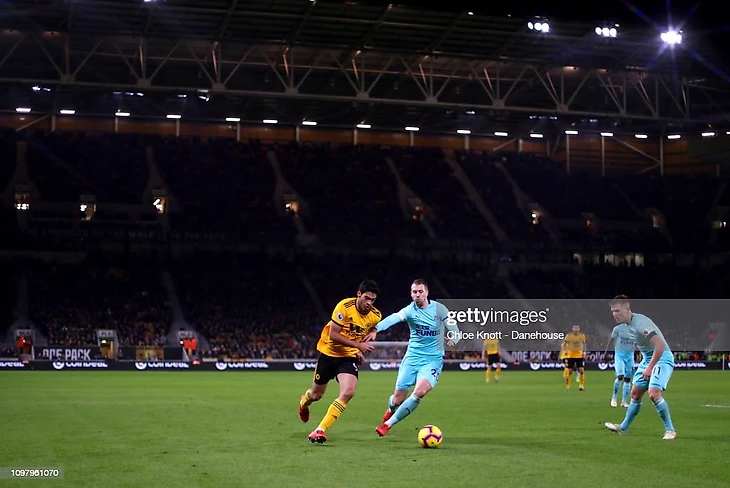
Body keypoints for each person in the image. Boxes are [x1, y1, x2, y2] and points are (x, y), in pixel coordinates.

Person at [365, 279, 460, 437]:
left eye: (420, 291)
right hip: (412, 358)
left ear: (427, 292)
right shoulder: (410, 310)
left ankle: (387, 425)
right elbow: (394, 318)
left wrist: (453, 339)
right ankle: (391, 409)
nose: (417, 295)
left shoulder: (440, 309)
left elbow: (455, 330)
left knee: (420, 392)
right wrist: (376, 329)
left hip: (433, 360)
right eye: (414, 292)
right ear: (411, 294)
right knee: (397, 400)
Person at [298, 280, 382, 444]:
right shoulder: (344, 307)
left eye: (372, 300)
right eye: (366, 298)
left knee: (348, 392)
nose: (369, 303)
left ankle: (320, 429)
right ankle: (304, 403)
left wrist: (370, 336)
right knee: (316, 395)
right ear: (359, 294)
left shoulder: (375, 315)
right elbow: (334, 335)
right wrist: (358, 346)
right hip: (329, 353)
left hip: (347, 357)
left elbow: (367, 330)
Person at [604, 295, 677, 440]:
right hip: (648, 359)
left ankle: (670, 430)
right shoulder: (626, 325)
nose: (614, 314)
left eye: (617, 311)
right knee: (635, 394)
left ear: (627, 309)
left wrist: (649, 367)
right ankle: (623, 428)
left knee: (654, 393)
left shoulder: (641, 324)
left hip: (662, 358)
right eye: (612, 311)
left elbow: (660, 345)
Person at [603, 322, 637, 408]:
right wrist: (606, 353)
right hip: (619, 355)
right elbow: (611, 340)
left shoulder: (636, 330)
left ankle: (624, 402)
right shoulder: (618, 328)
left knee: (628, 379)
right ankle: (614, 398)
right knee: (620, 376)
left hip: (630, 356)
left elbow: (638, 343)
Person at [562, 325, 587, 391]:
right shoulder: (569, 336)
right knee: (570, 371)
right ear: (573, 329)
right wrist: (565, 351)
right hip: (571, 355)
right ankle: (567, 386)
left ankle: (581, 386)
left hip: (579, 355)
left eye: (577, 329)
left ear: (579, 329)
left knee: (581, 370)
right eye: (574, 329)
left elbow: (584, 344)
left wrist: (584, 352)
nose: (576, 330)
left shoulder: (582, 336)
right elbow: (564, 344)